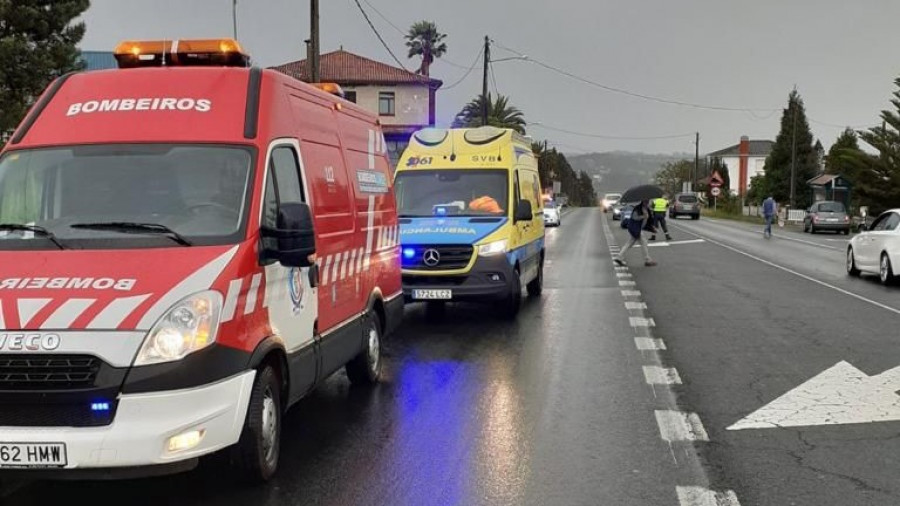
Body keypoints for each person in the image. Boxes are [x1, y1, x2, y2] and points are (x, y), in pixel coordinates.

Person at [615, 199, 657, 267]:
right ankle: (647, 260)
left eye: (648, 201)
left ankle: (619, 257)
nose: (647, 202)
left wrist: (652, 228)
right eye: (645, 201)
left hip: (638, 229)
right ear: (642, 201)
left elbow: (648, 221)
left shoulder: (647, 209)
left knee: (630, 244)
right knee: (643, 243)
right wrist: (643, 216)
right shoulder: (638, 208)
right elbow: (634, 217)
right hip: (635, 228)